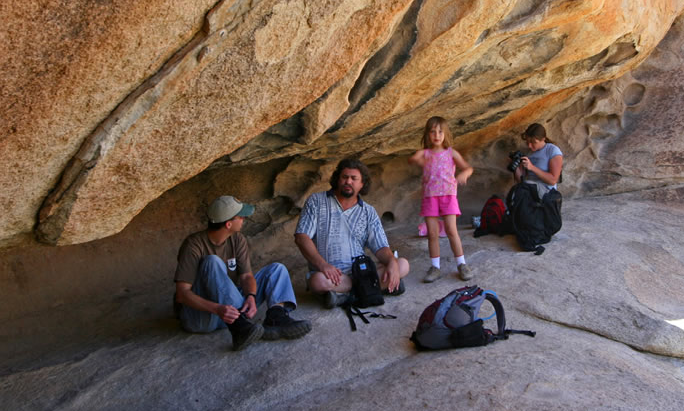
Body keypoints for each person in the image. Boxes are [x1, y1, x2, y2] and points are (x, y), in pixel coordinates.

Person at [174, 195, 311, 351]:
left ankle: (275, 317)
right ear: (228, 223)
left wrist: (251, 296)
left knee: (276, 269)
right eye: (241, 216)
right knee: (212, 262)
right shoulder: (194, 245)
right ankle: (240, 329)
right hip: (203, 317)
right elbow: (182, 294)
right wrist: (218, 309)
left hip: (231, 312)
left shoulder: (237, 239)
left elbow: (246, 276)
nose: (244, 219)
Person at [294, 158, 410, 308]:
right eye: (344, 177)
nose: (348, 182)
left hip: (360, 271)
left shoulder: (368, 211)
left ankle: (344, 295)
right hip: (331, 274)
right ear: (337, 179)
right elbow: (301, 237)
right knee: (317, 281)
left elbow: (380, 246)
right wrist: (323, 265)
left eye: (354, 178)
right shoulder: (316, 201)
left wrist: (392, 263)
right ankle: (372, 288)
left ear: (362, 184)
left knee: (402, 265)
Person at [408, 116, 475, 283]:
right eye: (432, 132)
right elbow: (413, 159)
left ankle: (461, 264)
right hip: (430, 197)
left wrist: (464, 174)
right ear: (427, 134)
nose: (436, 135)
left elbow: (468, 167)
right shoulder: (426, 153)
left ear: (446, 134)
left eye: (440, 132)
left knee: (452, 230)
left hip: (448, 195)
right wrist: (416, 159)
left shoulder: (451, 153)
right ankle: (435, 267)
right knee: (432, 233)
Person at [514, 123, 563, 195]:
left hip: (546, 192)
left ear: (543, 139)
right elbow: (520, 181)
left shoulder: (552, 150)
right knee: (516, 190)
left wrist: (532, 167)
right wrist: (516, 166)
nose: (529, 146)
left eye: (533, 142)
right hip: (529, 189)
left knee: (525, 189)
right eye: (527, 142)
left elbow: (553, 180)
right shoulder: (529, 153)